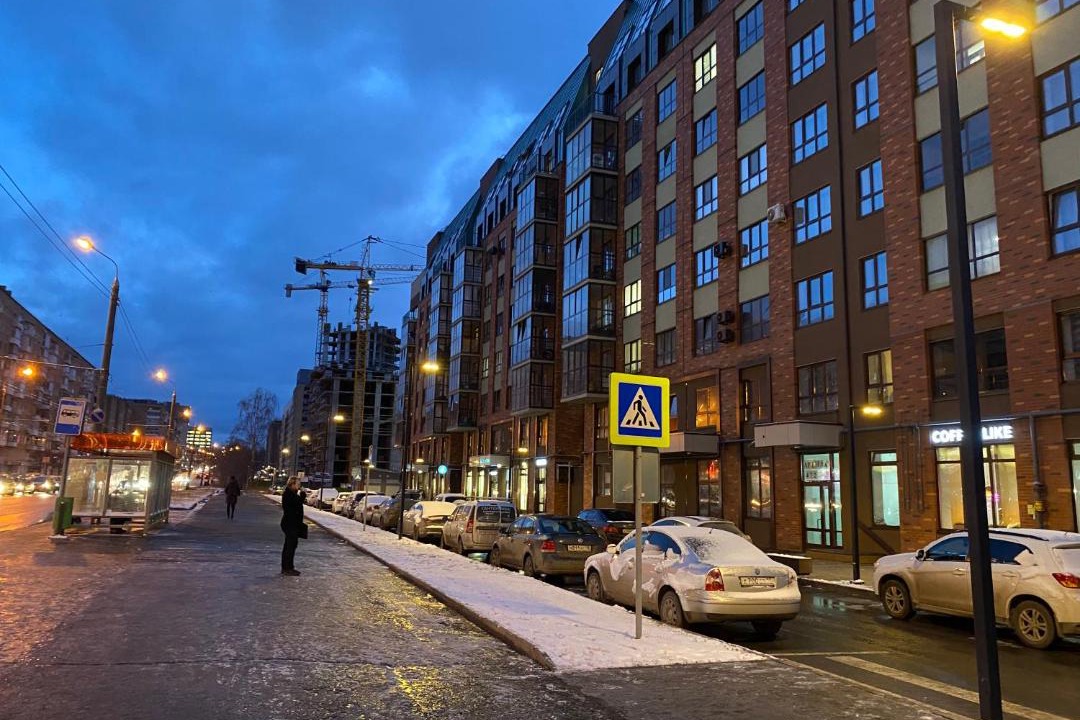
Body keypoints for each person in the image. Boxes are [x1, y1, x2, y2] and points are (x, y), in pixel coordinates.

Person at [280, 476, 305, 576]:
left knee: (290, 546)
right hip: (290, 524)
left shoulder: (291, 493)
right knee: (290, 546)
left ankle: (288, 567)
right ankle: (287, 568)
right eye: (298, 484)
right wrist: (302, 496)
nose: (299, 486)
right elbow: (296, 505)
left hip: (291, 523)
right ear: (292, 484)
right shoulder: (289, 494)